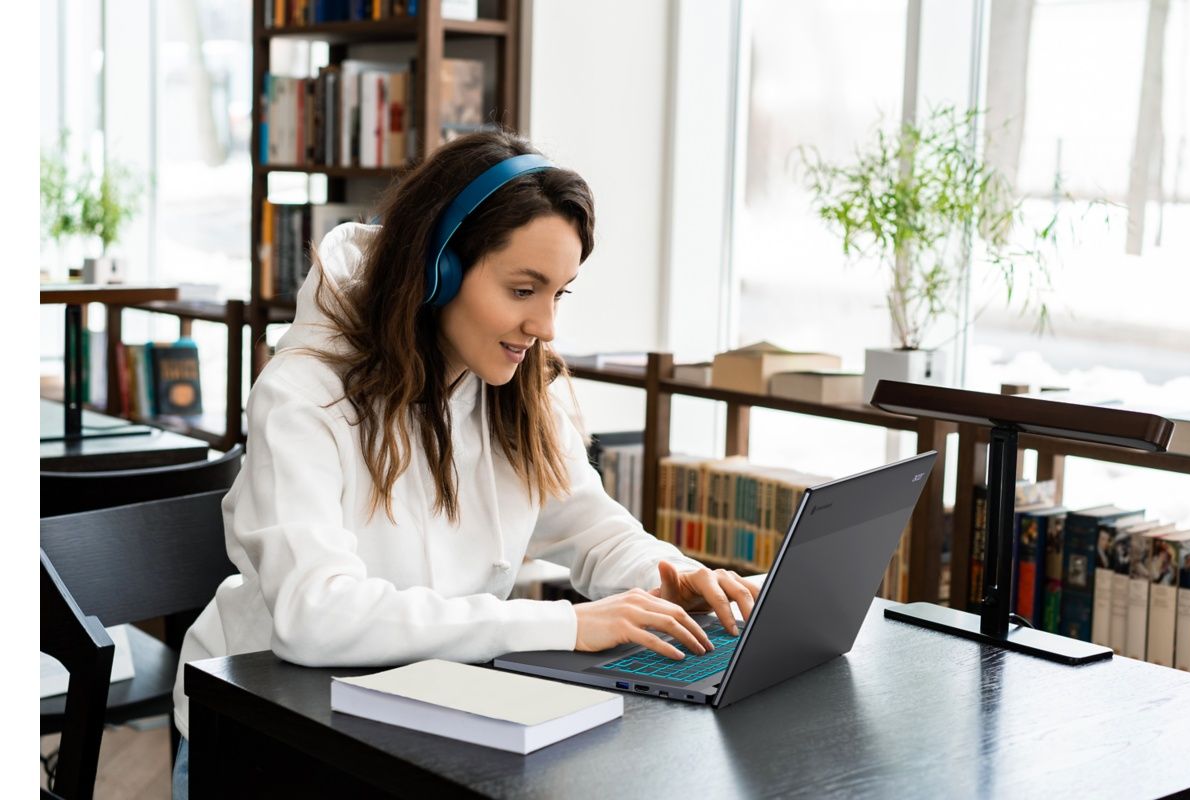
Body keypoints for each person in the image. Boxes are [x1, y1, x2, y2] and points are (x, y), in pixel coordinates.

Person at [169, 130, 758, 798]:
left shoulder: (518, 389)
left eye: (558, 294)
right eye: (522, 289)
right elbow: (316, 616)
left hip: (421, 712)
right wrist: (567, 625)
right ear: (437, 270)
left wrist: (672, 578)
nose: (545, 325)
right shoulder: (302, 396)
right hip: (268, 731)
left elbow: (592, 529)